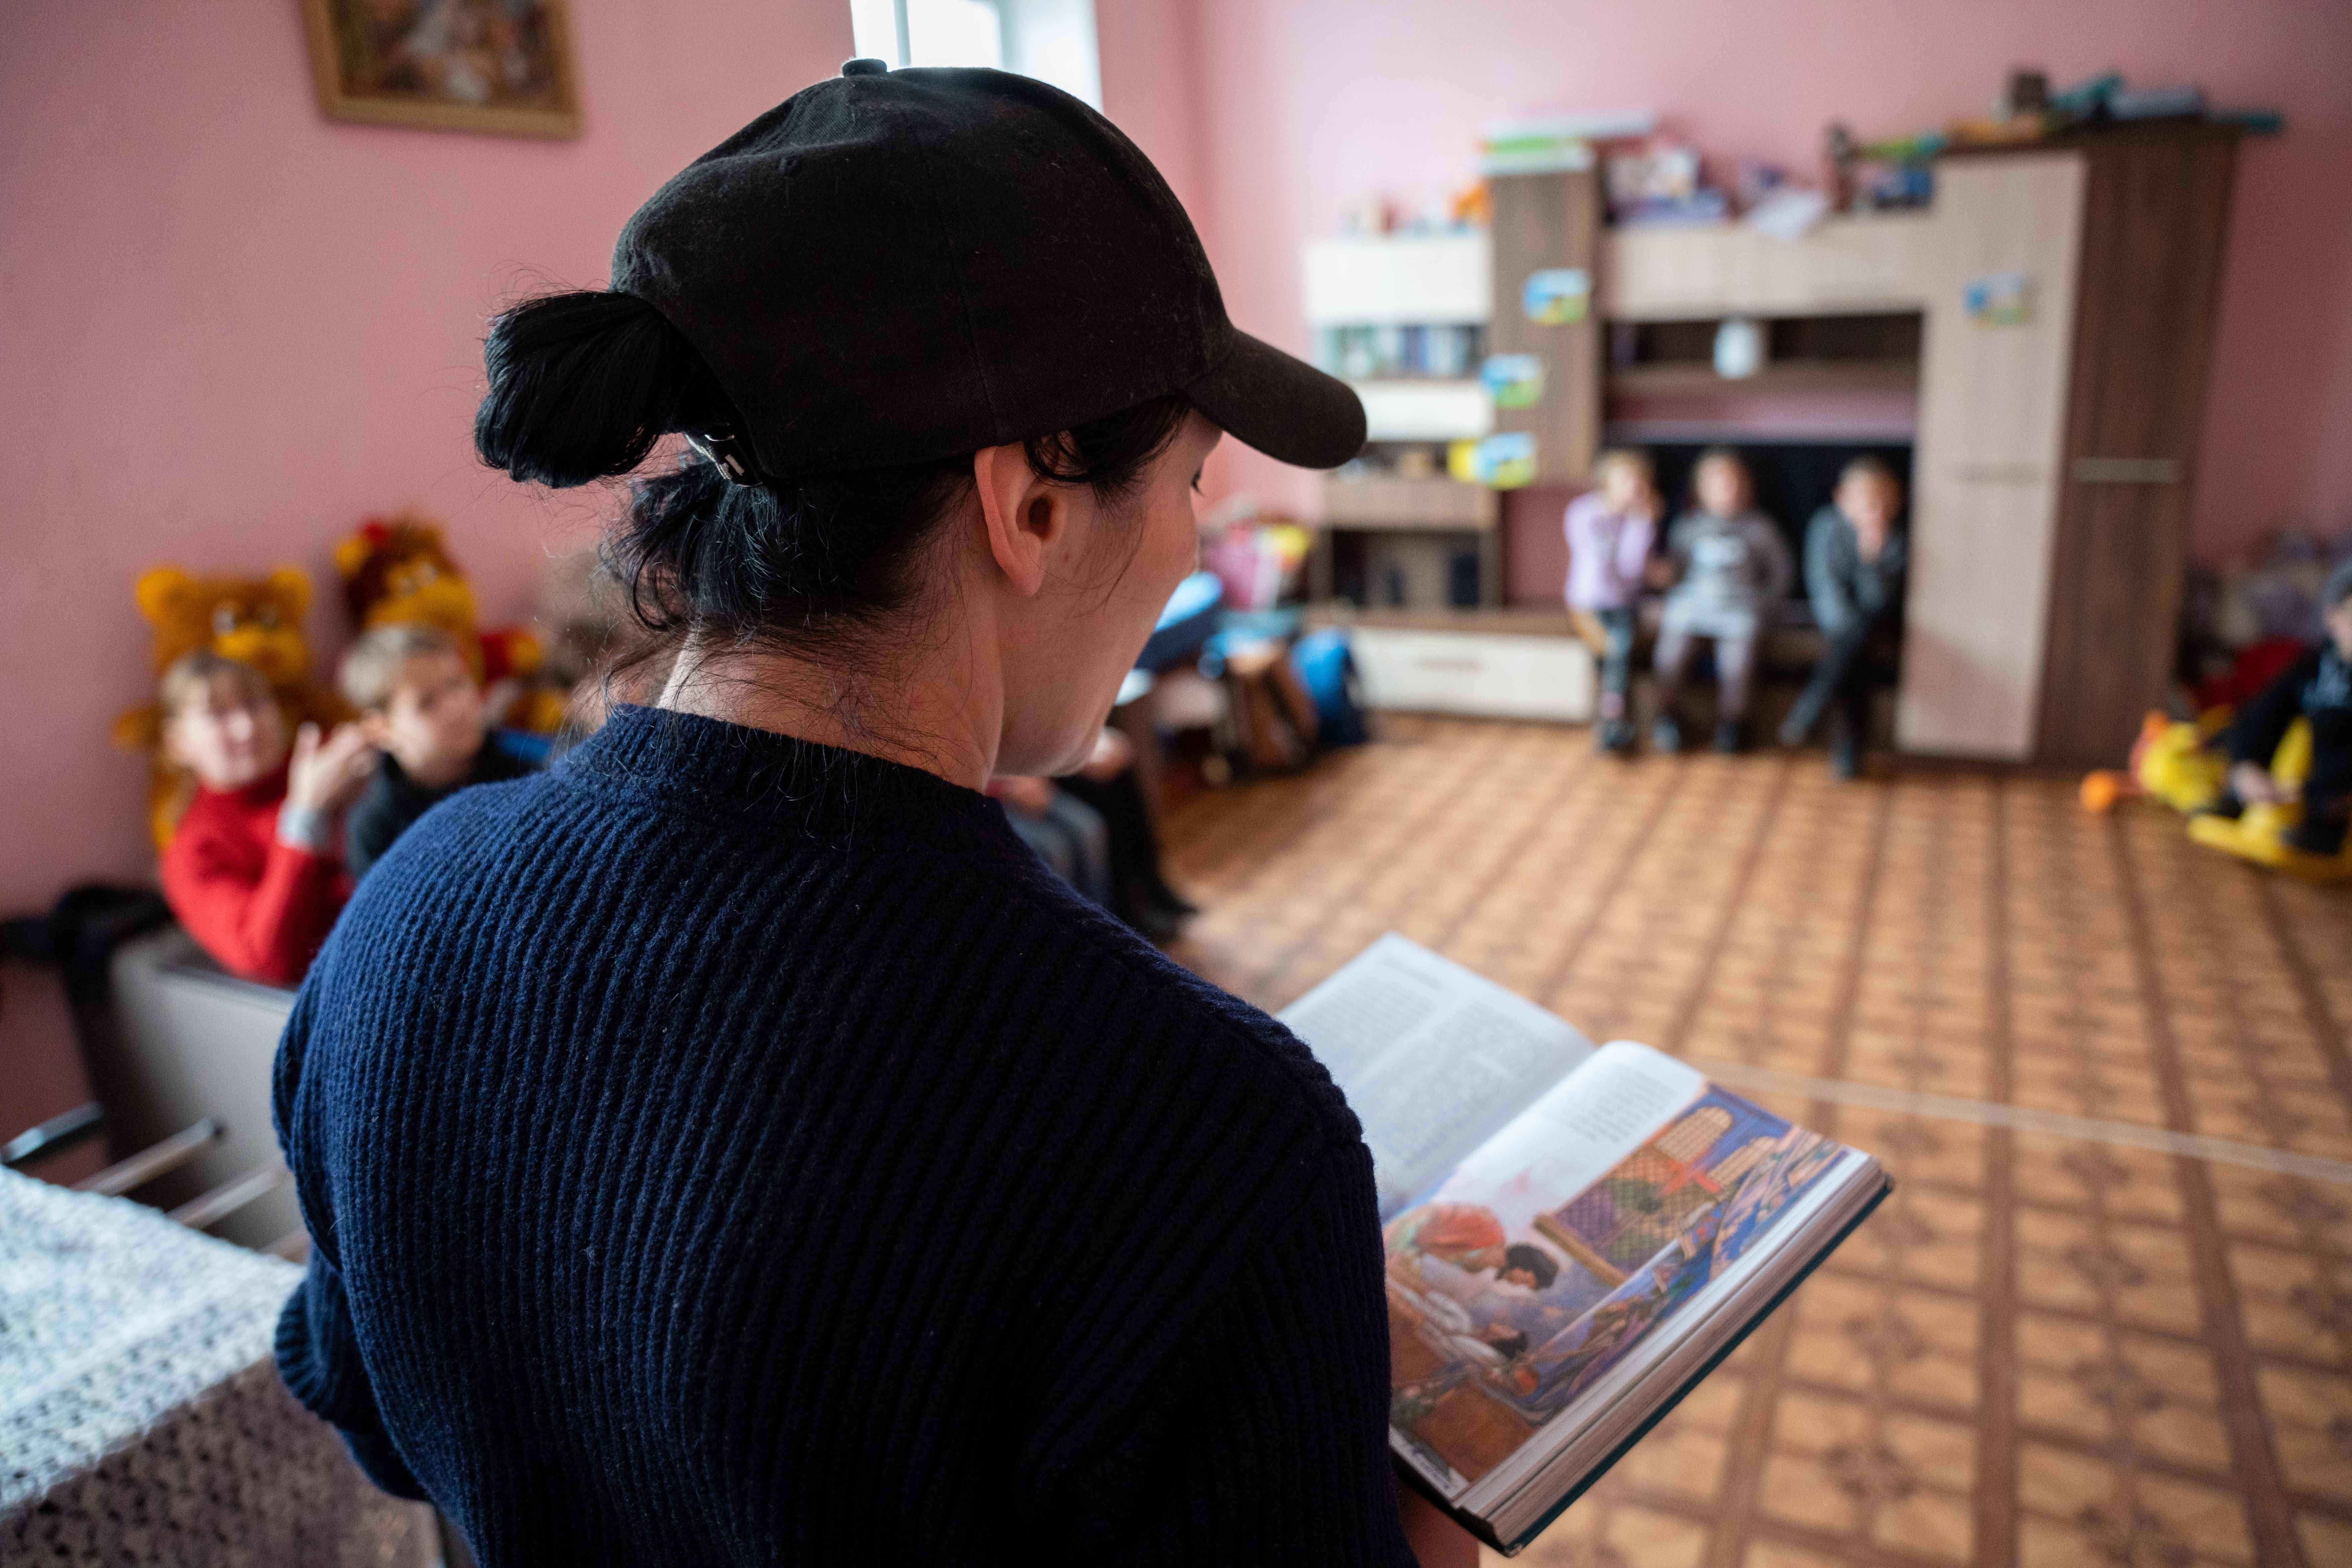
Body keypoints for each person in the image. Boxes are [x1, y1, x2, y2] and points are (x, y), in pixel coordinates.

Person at [272, 63, 1469, 1568]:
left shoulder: (401, 922)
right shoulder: (1200, 1136)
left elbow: (369, 1399)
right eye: (1194, 479)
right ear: (1030, 504)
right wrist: (1429, 1501)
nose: (1197, 542)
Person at [156, 650, 373, 985]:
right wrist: (305, 815)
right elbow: (267, 958)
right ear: (178, 743)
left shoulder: (326, 759)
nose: (246, 728)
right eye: (217, 716)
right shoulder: (193, 852)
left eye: (255, 704)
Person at [339, 623, 541, 879]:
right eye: (427, 702)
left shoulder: (530, 765)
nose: (458, 707)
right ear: (381, 730)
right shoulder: (376, 830)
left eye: (457, 683)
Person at [1651, 448, 1793, 754]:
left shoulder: (1761, 528)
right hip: (1693, 607)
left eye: (1733, 483)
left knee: (1737, 666)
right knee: (1670, 658)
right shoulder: (1688, 526)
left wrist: (1763, 606)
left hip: (1740, 611)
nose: (1727, 490)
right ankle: (1669, 718)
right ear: (1701, 490)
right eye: (1717, 483)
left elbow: (1782, 574)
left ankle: (1733, 724)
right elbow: (1675, 573)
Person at [1781, 457, 1909, 779]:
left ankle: (1812, 709)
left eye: (1884, 501)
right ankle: (1849, 749)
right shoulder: (1825, 526)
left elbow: (1879, 601)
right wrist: (1847, 626)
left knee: (1857, 642)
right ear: (1842, 498)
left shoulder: (1894, 539)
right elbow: (1824, 586)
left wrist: (1871, 559)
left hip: (1876, 622)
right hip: (1836, 621)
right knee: (1856, 650)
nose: (1875, 509)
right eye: (1867, 501)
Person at [2213, 559, 2352, 855]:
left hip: (2330, 799)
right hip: (2287, 788)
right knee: (2265, 720)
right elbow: (2264, 710)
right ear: (2332, 618)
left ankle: (2324, 827)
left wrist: (2315, 793)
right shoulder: (2313, 666)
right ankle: (2239, 793)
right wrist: (2246, 766)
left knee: (2331, 722)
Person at [1563, 449, 1659, 755]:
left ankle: (1612, 723)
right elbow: (1597, 567)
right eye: (1627, 479)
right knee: (1617, 648)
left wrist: (1642, 523)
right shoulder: (1582, 512)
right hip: (1587, 604)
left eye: (1639, 481)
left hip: (1622, 604)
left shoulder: (1637, 521)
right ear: (1606, 481)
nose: (1634, 486)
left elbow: (1633, 569)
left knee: (1621, 649)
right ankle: (1612, 722)